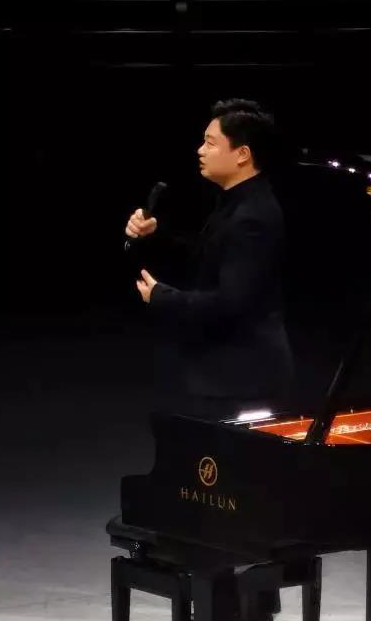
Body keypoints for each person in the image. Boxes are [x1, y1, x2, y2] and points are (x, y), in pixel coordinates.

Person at [125, 98, 293, 421]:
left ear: (242, 154)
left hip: (245, 378)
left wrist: (163, 297)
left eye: (210, 143)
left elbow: (231, 303)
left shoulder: (253, 216)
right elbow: (206, 254)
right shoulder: (234, 202)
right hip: (224, 374)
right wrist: (154, 235)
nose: (200, 150)